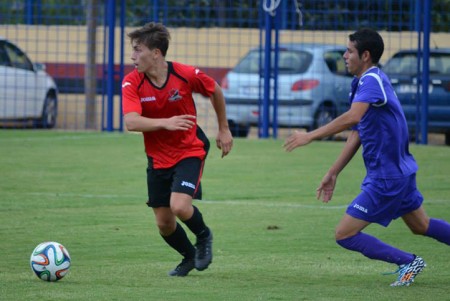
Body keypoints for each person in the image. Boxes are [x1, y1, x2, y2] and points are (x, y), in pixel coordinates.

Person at [284, 28, 450, 287]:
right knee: (421, 225)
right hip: (401, 172)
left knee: (344, 234)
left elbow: (353, 118)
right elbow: (357, 132)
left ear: (365, 55)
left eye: (349, 51)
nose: (344, 55)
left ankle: (408, 262)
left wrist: (310, 135)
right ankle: (408, 262)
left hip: (387, 177)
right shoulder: (364, 81)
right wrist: (334, 171)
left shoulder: (371, 80)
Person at [121, 22, 233, 277]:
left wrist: (223, 128)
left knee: (180, 207)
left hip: (189, 150)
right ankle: (190, 256)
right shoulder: (132, 83)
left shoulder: (184, 74)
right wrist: (165, 123)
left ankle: (204, 237)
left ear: (156, 53)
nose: (133, 56)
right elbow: (131, 122)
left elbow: (214, 89)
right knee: (164, 224)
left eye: (138, 50)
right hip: (158, 158)